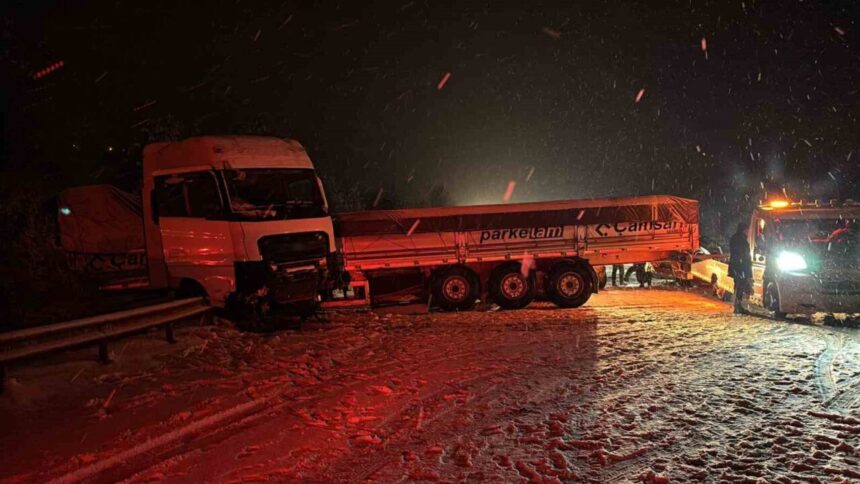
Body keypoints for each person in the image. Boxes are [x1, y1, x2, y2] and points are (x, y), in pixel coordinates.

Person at [728, 222, 753, 314]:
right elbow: (743, 254)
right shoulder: (740, 239)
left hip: (737, 265)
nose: (748, 231)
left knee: (738, 285)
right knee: (740, 285)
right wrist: (745, 266)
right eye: (747, 229)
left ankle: (737, 305)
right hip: (740, 266)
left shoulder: (735, 238)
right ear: (744, 229)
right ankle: (738, 306)